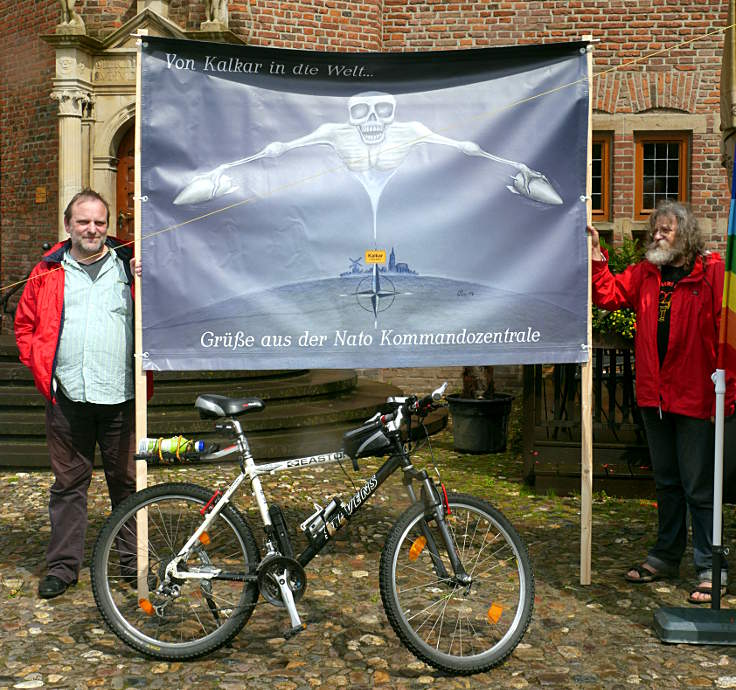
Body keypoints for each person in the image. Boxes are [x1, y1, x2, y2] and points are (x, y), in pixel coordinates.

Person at [589, 199, 735, 605]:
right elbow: (607, 294)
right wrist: (597, 256)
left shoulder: (715, 274)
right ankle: (666, 556)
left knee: (699, 487)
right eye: (654, 229)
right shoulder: (645, 275)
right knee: (667, 483)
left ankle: (710, 567)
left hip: (697, 398)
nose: (655, 235)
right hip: (655, 397)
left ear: (684, 235)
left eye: (665, 230)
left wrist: (730, 390)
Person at [15, 189, 139, 599]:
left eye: (100, 222)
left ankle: (131, 564)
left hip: (121, 395)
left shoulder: (129, 265)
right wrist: (41, 368)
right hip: (68, 396)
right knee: (68, 485)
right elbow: (25, 325)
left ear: (108, 226)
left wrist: (150, 278)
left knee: (126, 483)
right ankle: (63, 567)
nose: (92, 229)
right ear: (68, 226)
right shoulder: (47, 270)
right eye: (83, 221)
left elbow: (166, 310)